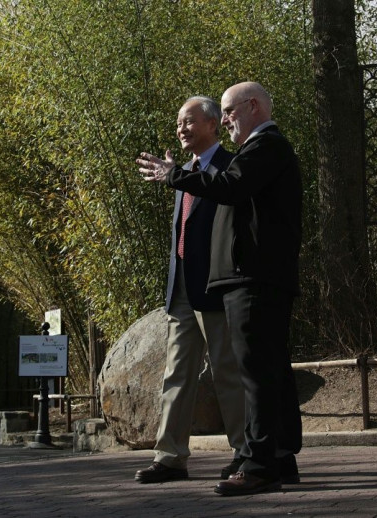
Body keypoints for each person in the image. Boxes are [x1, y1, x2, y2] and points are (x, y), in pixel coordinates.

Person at [137, 81, 303, 496]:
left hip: (240, 281)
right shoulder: (205, 166)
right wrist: (178, 175)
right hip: (197, 288)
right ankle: (180, 456)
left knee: (250, 373)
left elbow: (233, 196)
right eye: (177, 122)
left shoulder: (246, 158)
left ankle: (256, 457)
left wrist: (177, 175)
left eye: (228, 112)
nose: (181, 128)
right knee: (196, 374)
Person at [134, 96, 246, 484]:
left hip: (216, 288)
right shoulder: (180, 170)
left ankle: (245, 452)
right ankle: (169, 457)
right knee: (175, 374)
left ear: (213, 125)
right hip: (180, 289)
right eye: (179, 123)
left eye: (189, 121)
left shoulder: (231, 167)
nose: (182, 128)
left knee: (227, 371)